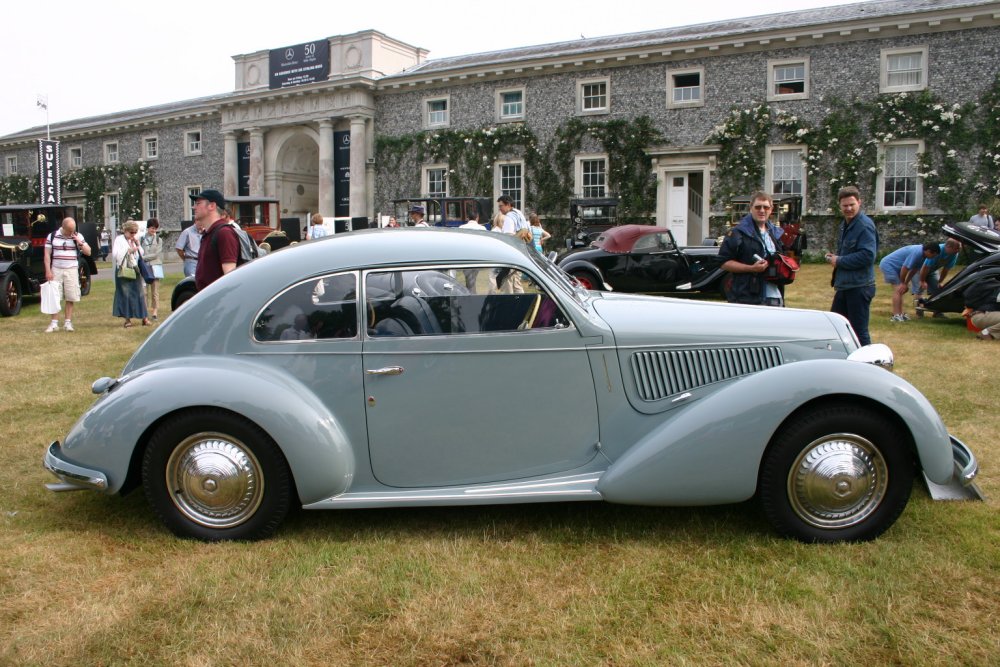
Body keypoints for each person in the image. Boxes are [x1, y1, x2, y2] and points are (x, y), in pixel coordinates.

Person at [826, 185, 878, 346]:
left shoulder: (864, 225)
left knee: (858, 331)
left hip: (860, 287)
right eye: (845, 205)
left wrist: (839, 261)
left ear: (859, 203)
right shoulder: (846, 224)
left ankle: (867, 361)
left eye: (852, 204)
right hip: (845, 286)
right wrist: (836, 257)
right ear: (839, 206)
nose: (848, 208)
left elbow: (868, 256)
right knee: (836, 327)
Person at [718, 191, 785, 306]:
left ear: (771, 209)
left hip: (775, 297)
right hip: (746, 297)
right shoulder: (738, 232)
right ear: (751, 208)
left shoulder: (775, 233)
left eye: (766, 207)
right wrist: (751, 268)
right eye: (758, 207)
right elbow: (723, 262)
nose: (762, 211)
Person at [43, 216, 91, 333]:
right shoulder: (52, 236)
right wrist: (48, 271)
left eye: (72, 230)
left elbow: (88, 252)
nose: (71, 233)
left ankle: (68, 322)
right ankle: (54, 323)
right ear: (63, 227)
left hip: (71, 269)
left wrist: (79, 242)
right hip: (56, 269)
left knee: (70, 296)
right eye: (69, 230)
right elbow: (47, 254)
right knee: (55, 296)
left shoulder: (77, 236)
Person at [878, 242, 940, 322]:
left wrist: (906, 283)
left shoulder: (923, 256)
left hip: (897, 268)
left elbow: (914, 270)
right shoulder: (917, 253)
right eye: (933, 255)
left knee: (902, 290)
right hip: (889, 265)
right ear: (928, 251)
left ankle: (901, 314)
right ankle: (896, 315)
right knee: (898, 290)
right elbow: (905, 268)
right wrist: (902, 283)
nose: (933, 258)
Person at [192, 189, 239, 291]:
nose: (194, 207)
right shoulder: (209, 233)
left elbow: (230, 277)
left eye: (198, 203)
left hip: (219, 299)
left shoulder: (224, 233)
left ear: (212, 206)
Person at [112, 220, 149, 328]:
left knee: (140, 293)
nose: (133, 234)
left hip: (135, 269)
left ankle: (144, 318)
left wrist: (137, 244)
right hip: (123, 270)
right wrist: (129, 250)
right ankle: (127, 320)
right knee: (125, 294)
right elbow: (115, 254)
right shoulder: (119, 239)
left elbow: (141, 253)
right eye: (131, 232)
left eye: (135, 232)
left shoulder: (134, 239)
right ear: (125, 231)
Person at [496, 196, 529, 293]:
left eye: (501, 206)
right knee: (516, 283)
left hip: (512, 255)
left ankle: (508, 302)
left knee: (506, 283)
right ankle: (521, 301)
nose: (499, 208)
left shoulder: (509, 217)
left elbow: (509, 239)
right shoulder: (519, 213)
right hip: (521, 252)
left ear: (508, 205)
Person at [140, 218, 163, 321]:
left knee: (155, 292)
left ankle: (154, 313)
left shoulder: (158, 240)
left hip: (155, 267)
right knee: (144, 292)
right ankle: (144, 313)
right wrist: (142, 258)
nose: (153, 230)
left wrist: (143, 258)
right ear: (148, 228)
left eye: (155, 228)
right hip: (144, 268)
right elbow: (139, 252)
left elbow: (156, 254)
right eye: (152, 228)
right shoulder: (141, 239)